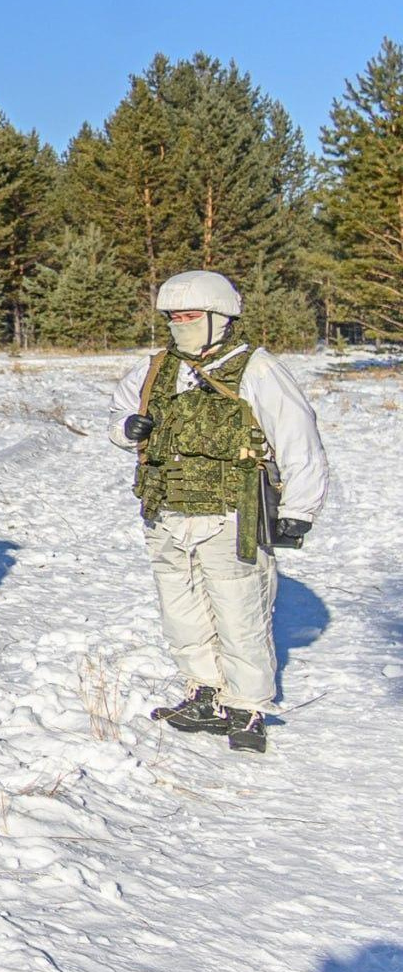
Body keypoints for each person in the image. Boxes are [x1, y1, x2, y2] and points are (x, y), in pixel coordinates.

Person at [112, 270, 332, 754]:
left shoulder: (257, 369)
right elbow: (117, 418)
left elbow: (300, 441)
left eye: (190, 316)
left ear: (219, 318)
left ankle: (246, 707)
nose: (180, 324)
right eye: (173, 317)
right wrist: (129, 427)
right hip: (164, 510)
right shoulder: (155, 369)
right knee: (181, 608)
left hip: (232, 511)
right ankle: (203, 691)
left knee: (240, 608)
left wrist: (300, 509)